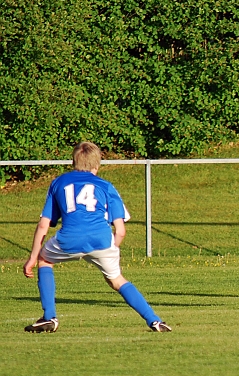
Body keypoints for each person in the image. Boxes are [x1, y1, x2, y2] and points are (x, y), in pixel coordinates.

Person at [22, 142, 171, 332]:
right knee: (117, 280)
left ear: (73, 161)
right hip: (102, 240)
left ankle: (50, 317)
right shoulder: (106, 186)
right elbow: (121, 230)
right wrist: (111, 250)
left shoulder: (59, 182)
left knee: (44, 260)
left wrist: (32, 258)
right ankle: (154, 320)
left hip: (69, 239)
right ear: (97, 165)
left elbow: (44, 225)